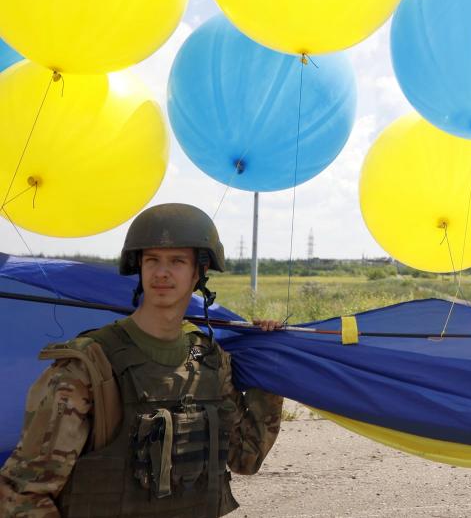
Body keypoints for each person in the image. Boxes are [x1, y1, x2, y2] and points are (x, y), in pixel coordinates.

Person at [0, 203, 285, 517]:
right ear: (139, 266)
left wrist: (270, 366)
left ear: (200, 271)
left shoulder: (207, 358)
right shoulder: (90, 366)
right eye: (152, 260)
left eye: (177, 261)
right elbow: (21, 495)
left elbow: (246, 457)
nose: (161, 272)